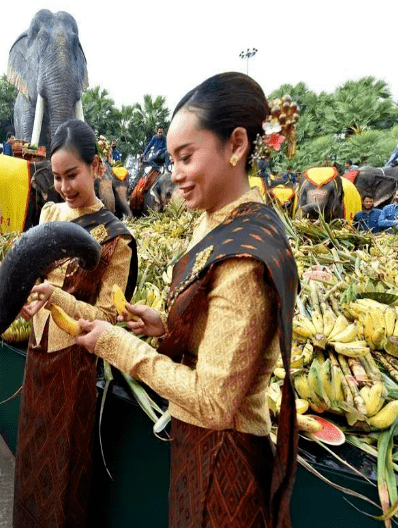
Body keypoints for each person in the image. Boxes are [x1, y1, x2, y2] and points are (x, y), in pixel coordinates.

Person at [75, 72, 299, 528]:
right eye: (171, 158)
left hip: (225, 457)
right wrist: (164, 323)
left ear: (236, 146)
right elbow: (212, 329)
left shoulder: (245, 260)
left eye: (186, 157)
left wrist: (116, 345)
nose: (173, 174)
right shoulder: (216, 219)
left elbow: (216, 403)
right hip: (198, 443)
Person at [12, 119, 138, 528]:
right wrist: (25, 297)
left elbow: (109, 317)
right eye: (59, 176)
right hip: (37, 356)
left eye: (73, 175)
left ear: (96, 166)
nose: (64, 186)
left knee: (64, 464)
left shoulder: (115, 239)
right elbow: (29, 271)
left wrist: (59, 298)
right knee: (32, 456)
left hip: (74, 366)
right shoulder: (50, 212)